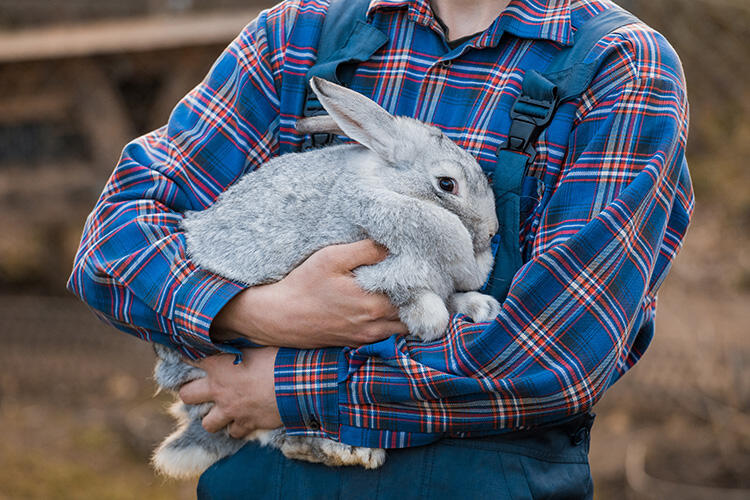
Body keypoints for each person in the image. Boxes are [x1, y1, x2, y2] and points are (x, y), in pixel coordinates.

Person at [68, 0, 693, 497]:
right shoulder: (297, 39)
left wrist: (286, 387)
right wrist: (252, 311)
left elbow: (554, 357)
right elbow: (113, 241)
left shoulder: (620, 67)